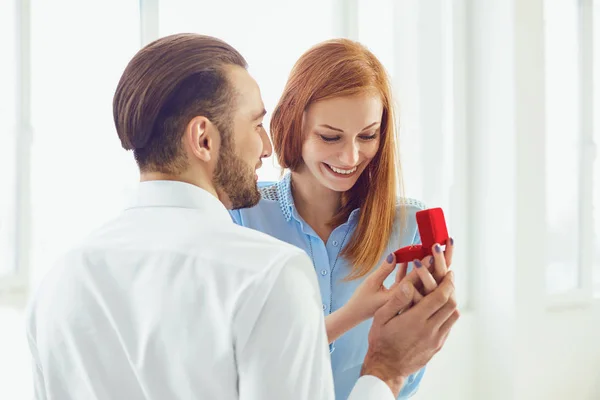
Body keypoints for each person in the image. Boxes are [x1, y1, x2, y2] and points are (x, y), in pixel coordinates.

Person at [24, 33, 458, 400]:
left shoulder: (58, 281)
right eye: (254, 125)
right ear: (203, 139)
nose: (267, 148)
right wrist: (386, 370)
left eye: (367, 136)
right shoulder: (268, 273)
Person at [230, 38, 456, 399]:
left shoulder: (407, 225)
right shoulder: (241, 216)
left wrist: (425, 326)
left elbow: (406, 375)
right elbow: (236, 366)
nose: (350, 156)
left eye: (368, 135)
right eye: (330, 136)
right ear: (292, 122)